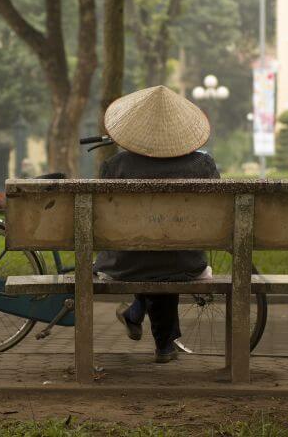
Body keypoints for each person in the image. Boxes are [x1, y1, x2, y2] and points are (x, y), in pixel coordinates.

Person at [93, 85, 217, 363]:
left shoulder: (115, 166)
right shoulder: (203, 166)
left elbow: (103, 221)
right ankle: (162, 342)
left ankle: (139, 316)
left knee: (148, 252)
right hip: (186, 262)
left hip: (126, 264)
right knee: (165, 253)